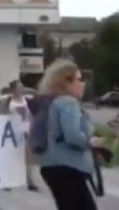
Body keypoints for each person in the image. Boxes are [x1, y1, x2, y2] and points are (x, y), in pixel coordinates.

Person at [36, 59, 103, 210]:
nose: (83, 84)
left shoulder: (52, 102)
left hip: (52, 166)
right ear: (66, 82)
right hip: (67, 168)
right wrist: (92, 141)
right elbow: (72, 136)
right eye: (78, 79)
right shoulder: (68, 103)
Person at [1, 81, 38, 191]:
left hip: (25, 130)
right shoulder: (7, 100)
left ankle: (29, 181)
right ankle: (8, 181)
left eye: (22, 87)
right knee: (11, 157)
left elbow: (30, 113)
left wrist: (31, 124)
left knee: (28, 157)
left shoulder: (26, 99)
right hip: (13, 132)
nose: (21, 89)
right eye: (19, 87)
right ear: (13, 90)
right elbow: (3, 115)